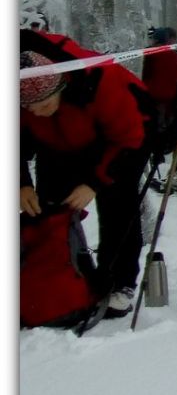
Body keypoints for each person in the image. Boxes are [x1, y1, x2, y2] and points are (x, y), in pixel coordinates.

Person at [21, 34, 151, 316]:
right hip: (57, 144)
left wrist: (94, 182)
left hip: (121, 140)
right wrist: (20, 183)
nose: (36, 113)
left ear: (60, 87)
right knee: (48, 209)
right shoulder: (24, 102)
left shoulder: (99, 82)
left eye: (41, 106)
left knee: (118, 206)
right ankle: (57, 278)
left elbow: (129, 139)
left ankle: (119, 283)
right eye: (28, 110)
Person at [140, 26, 177, 180]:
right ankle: (174, 167)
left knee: (156, 132)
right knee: (169, 132)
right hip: (170, 100)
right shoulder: (174, 52)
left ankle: (158, 161)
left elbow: (146, 76)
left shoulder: (152, 52)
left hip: (157, 100)